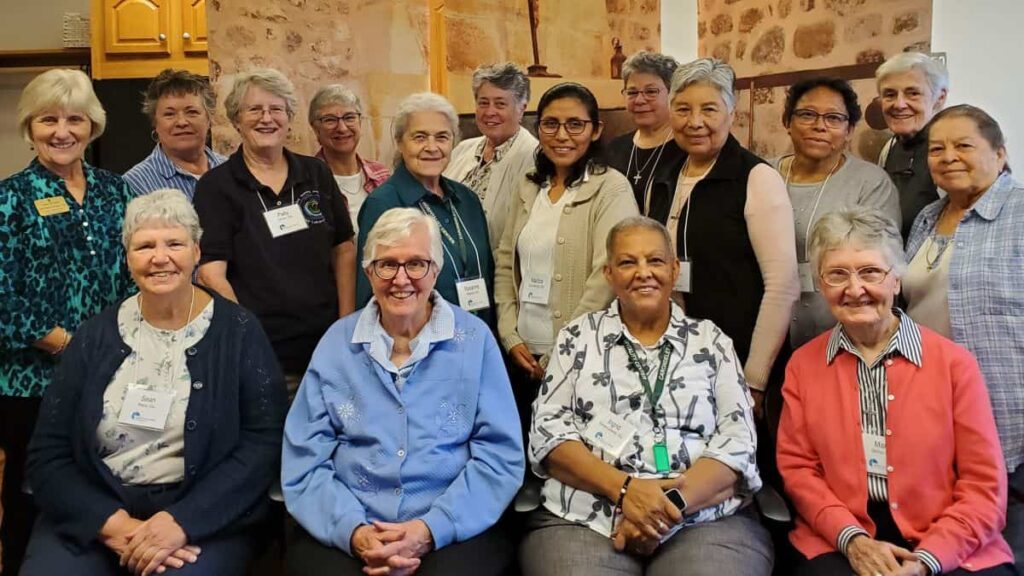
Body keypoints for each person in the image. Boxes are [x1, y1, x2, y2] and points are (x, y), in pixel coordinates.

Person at [21, 189, 287, 575]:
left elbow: (264, 441)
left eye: (174, 243)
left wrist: (182, 522)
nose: (160, 257)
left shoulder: (240, 331)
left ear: (197, 252)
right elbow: (48, 452)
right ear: (127, 258)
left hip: (202, 515)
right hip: (97, 510)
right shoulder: (95, 336)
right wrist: (114, 525)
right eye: (145, 245)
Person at [519, 217, 772, 576]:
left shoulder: (711, 341)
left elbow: (738, 442)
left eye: (654, 261)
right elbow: (548, 433)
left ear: (673, 269)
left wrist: (663, 509)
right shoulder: (577, 338)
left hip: (704, 520)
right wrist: (625, 491)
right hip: (585, 518)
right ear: (608, 273)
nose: (643, 273)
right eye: (627, 262)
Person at [283, 208, 523, 576]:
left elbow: (500, 457)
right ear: (368, 272)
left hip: (452, 527)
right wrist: (356, 533)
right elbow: (304, 460)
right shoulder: (337, 344)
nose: (401, 279)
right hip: (351, 524)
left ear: (436, 271)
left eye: (416, 264)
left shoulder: (475, 340)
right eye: (386, 265)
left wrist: (430, 530)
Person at [778, 208, 1015, 576]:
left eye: (871, 272)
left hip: (949, 536)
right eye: (837, 274)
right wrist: (853, 540)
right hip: (840, 536)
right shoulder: (803, 366)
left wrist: (928, 560)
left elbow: (984, 485)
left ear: (897, 280)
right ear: (821, 285)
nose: (855, 289)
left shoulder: (955, 365)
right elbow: (799, 471)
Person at [0, 68, 135, 575]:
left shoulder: (114, 191)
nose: (62, 131)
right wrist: (65, 345)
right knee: (33, 492)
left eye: (74, 118)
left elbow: (133, 274)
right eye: (48, 119)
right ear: (29, 127)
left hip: (109, 372)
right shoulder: (9, 198)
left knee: (103, 483)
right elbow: (2, 295)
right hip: (30, 381)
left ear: (92, 126)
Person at [904, 104, 1024, 573]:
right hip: (933, 402)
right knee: (954, 530)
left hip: (1006, 407)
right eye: (937, 148)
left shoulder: (1019, 213)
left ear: (999, 153)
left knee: (1004, 546)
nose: (948, 156)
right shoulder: (928, 217)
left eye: (963, 145)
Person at [647, 57, 799, 403]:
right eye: (683, 109)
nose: (695, 122)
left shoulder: (755, 178)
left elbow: (782, 286)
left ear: (732, 112)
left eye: (709, 109)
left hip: (737, 357)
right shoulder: (666, 172)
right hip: (676, 356)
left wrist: (755, 379)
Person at [494, 81, 638, 445]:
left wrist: (564, 343)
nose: (562, 135)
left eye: (575, 124)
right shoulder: (530, 186)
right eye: (550, 124)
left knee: (574, 456)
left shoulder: (611, 188)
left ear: (596, 130)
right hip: (523, 354)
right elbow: (505, 262)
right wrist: (510, 334)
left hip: (583, 355)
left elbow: (606, 277)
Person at [193, 68, 355, 388]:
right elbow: (210, 274)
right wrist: (249, 341)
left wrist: (346, 326)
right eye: (254, 109)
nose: (266, 118)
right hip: (264, 356)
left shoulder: (316, 173)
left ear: (289, 118)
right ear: (236, 120)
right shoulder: (217, 187)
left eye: (276, 109)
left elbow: (345, 248)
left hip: (328, 348)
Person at [769, 77, 900, 348]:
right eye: (807, 115)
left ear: (849, 129)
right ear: (787, 122)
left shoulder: (870, 182)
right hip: (763, 324)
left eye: (833, 118)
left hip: (839, 330)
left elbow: (875, 262)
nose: (819, 126)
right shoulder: (761, 174)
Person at [356, 92, 495, 326]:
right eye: (419, 137)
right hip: (419, 344)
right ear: (400, 143)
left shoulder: (467, 199)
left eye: (442, 137)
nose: (432, 147)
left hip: (477, 336)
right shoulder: (384, 203)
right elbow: (371, 293)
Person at [445, 62, 538, 249]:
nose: (490, 112)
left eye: (500, 104)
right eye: (483, 103)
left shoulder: (534, 158)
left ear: (521, 108)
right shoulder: (462, 149)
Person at [875, 52, 948, 239]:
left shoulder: (949, 151)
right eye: (890, 94)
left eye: (913, 93)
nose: (899, 104)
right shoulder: (888, 148)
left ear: (939, 98)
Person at [123, 69, 226, 199]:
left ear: (209, 119)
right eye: (169, 114)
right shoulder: (133, 184)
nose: (182, 122)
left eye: (192, 112)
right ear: (155, 123)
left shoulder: (233, 171)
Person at [606, 51, 686, 214]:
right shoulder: (614, 149)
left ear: (673, 94)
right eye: (632, 92)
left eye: (650, 92)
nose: (639, 100)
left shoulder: (687, 149)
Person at [308, 83, 390, 234]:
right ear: (315, 128)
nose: (342, 128)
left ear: (360, 122)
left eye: (349, 117)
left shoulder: (382, 174)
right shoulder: (307, 181)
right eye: (330, 120)